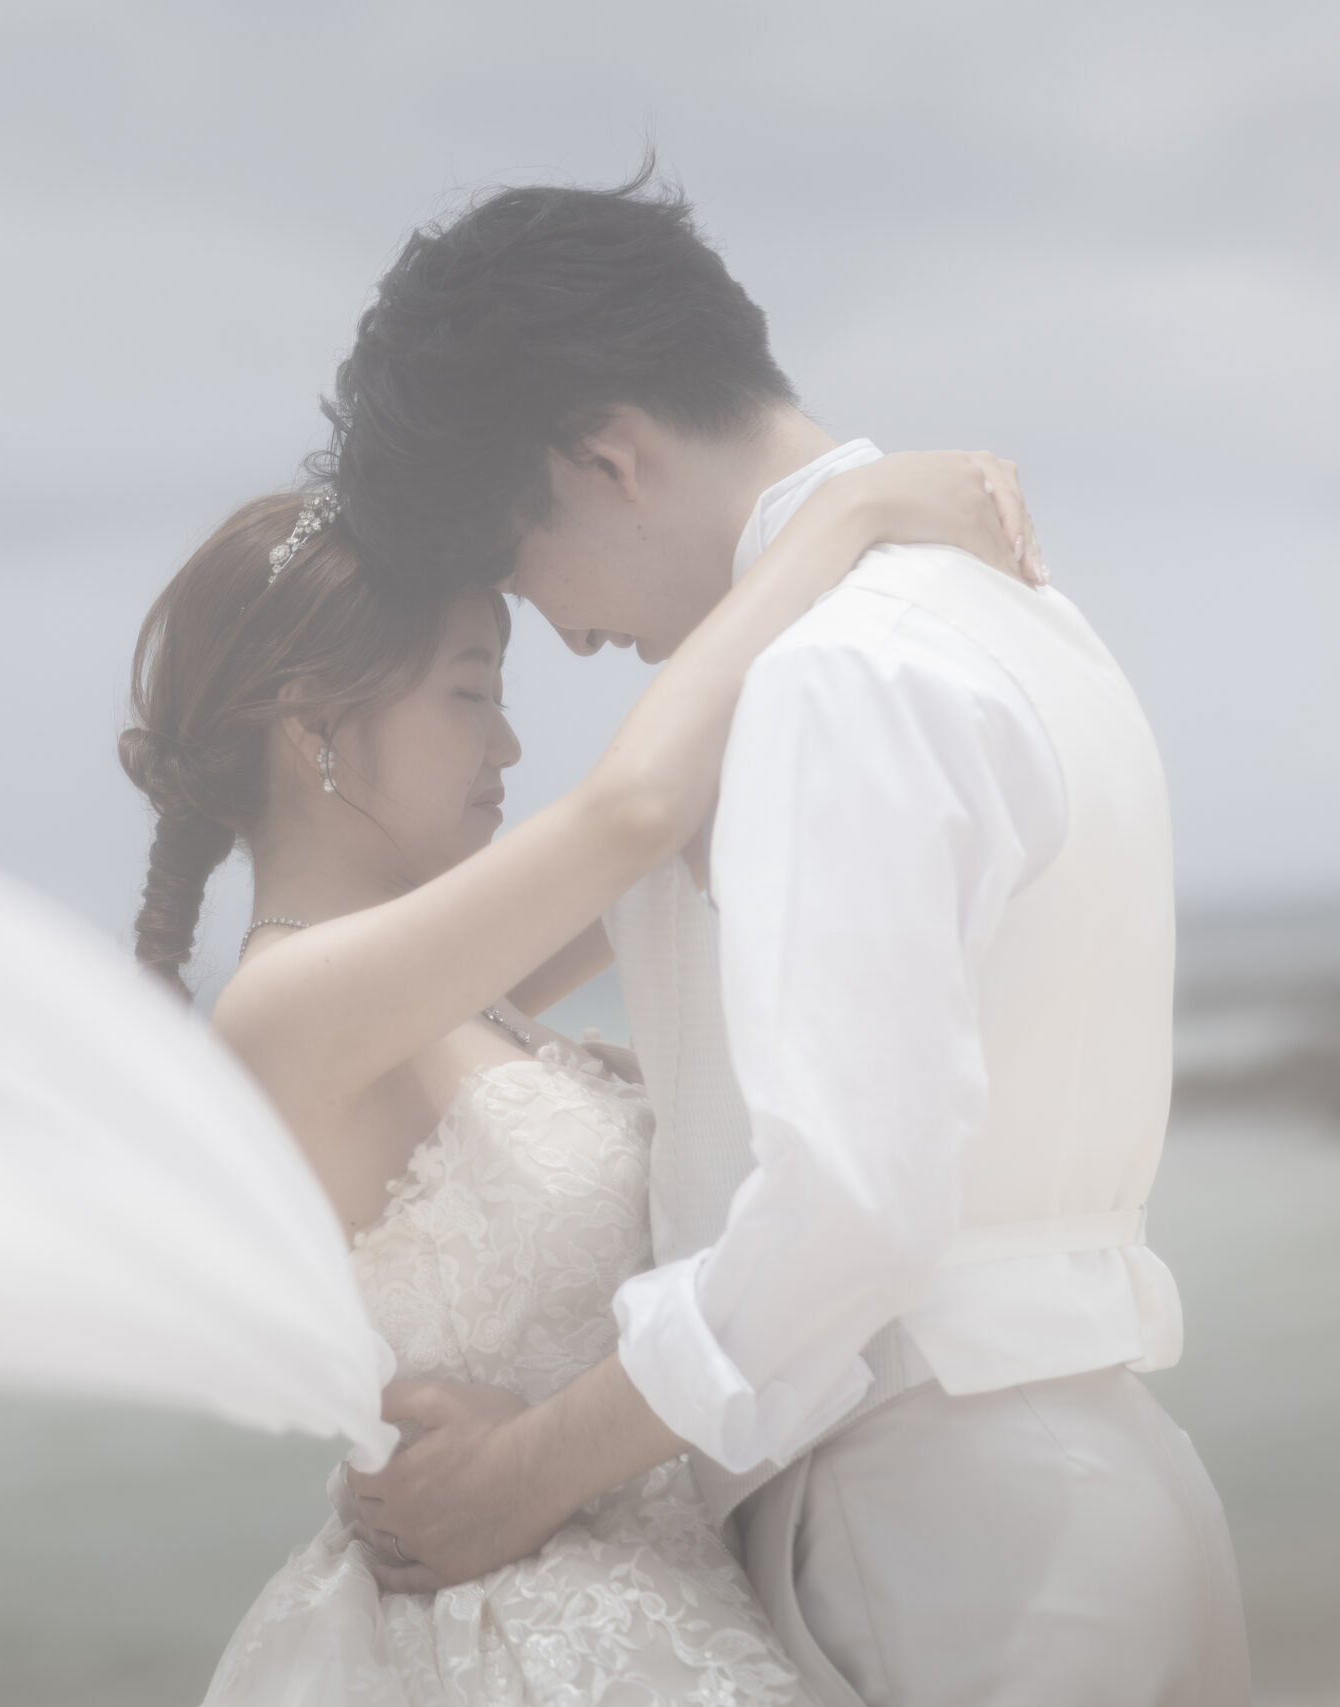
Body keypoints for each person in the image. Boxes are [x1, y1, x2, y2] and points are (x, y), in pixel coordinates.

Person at [324, 172, 1249, 1706]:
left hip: (946, 1533)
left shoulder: (835, 678)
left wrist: (524, 1470)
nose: (563, 634)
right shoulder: (1018, 613)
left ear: (605, 458)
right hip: (1089, 1489)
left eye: (520, 568)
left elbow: (847, 1213)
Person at [119, 450, 1040, 1702]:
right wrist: (847, 512)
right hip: (510, 1641)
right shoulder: (284, 1010)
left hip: (653, 1593)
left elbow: (676, 814)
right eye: (468, 692)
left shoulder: (454, 988)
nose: (506, 742)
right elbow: (635, 813)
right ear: (314, 726)